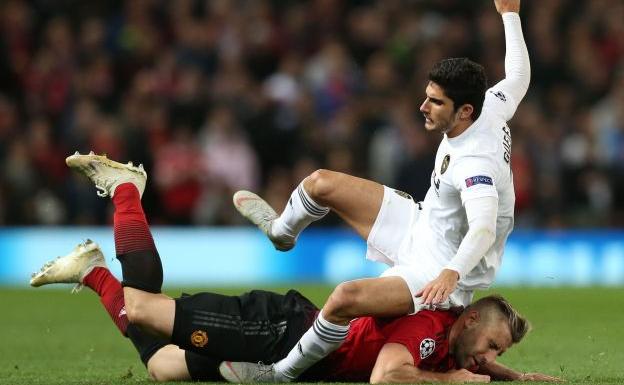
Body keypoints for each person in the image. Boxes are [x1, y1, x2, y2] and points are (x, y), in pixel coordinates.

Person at [29, 151, 561, 383]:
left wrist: (515, 374)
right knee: (139, 308)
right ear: (466, 319)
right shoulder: (428, 327)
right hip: (280, 332)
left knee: (160, 366)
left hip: (296, 340)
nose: (487, 359)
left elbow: (473, 361)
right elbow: (390, 375)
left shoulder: (455, 350)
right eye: (492, 346)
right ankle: (124, 196)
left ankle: (95, 262)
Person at [225, 0, 531, 381]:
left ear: (465, 111)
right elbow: (518, 77)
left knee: (344, 299)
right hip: (422, 224)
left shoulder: (475, 164)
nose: (423, 106)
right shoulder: (490, 106)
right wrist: (510, 14)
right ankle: (281, 233)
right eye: (427, 95)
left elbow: (483, 227)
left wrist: (451, 273)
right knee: (320, 183)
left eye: (436, 102)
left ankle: (279, 374)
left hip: (438, 268)